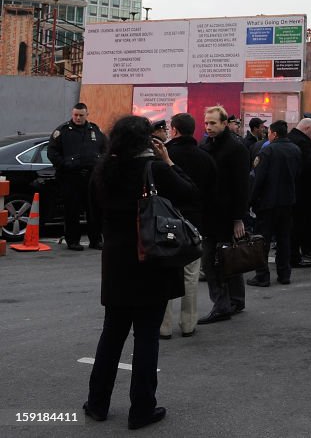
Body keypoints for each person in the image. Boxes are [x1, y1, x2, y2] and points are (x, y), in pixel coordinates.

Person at [83, 116, 198, 430]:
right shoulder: (156, 170)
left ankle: (97, 403)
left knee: (111, 336)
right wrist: (169, 161)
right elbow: (189, 192)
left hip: (117, 265)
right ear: (146, 142)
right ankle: (142, 408)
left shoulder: (103, 172)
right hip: (151, 262)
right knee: (146, 339)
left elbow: (93, 217)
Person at [160, 113, 216, 340]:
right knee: (191, 274)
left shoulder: (163, 156)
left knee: (164, 273)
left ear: (173, 130)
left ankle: (163, 326)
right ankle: (188, 322)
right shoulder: (206, 158)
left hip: (165, 222)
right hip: (194, 223)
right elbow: (211, 194)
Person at [197, 105, 249, 325]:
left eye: (213, 123)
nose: (208, 127)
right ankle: (235, 300)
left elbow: (242, 186)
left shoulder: (235, 148)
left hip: (226, 215)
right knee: (226, 258)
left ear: (224, 123)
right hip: (210, 213)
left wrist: (239, 218)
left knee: (214, 261)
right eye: (207, 123)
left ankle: (222, 306)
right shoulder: (207, 144)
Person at [248, 120, 302, 287]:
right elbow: (298, 175)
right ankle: (284, 273)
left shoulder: (268, 151)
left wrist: (250, 200)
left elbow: (258, 179)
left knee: (262, 240)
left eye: (269, 132)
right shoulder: (295, 150)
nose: (268, 135)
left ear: (275, 134)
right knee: (284, 239)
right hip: (287, 202)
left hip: (268, 203)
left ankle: (262, 275)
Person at [48, 102, 108, 250]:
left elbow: (106, 149)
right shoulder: (62, 131)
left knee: (94, 210)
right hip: (71, 178)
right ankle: (73, 241)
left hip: (92, 177)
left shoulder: (94, 130)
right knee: (72, 211)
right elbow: (52, 153)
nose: (78, 118)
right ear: (72, 114)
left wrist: (101, 164)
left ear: (87, 114)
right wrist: (65, 165)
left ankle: (95, 240)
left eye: (81, 115)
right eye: (75, 115)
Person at [286, 118, 311, 268]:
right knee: (297, 226)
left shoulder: (287, 140)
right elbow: (307, 167)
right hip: (300, 192)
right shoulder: (303, 144)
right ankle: (294, 257)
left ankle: (288, 255)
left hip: (287, 190)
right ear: (306, 129)